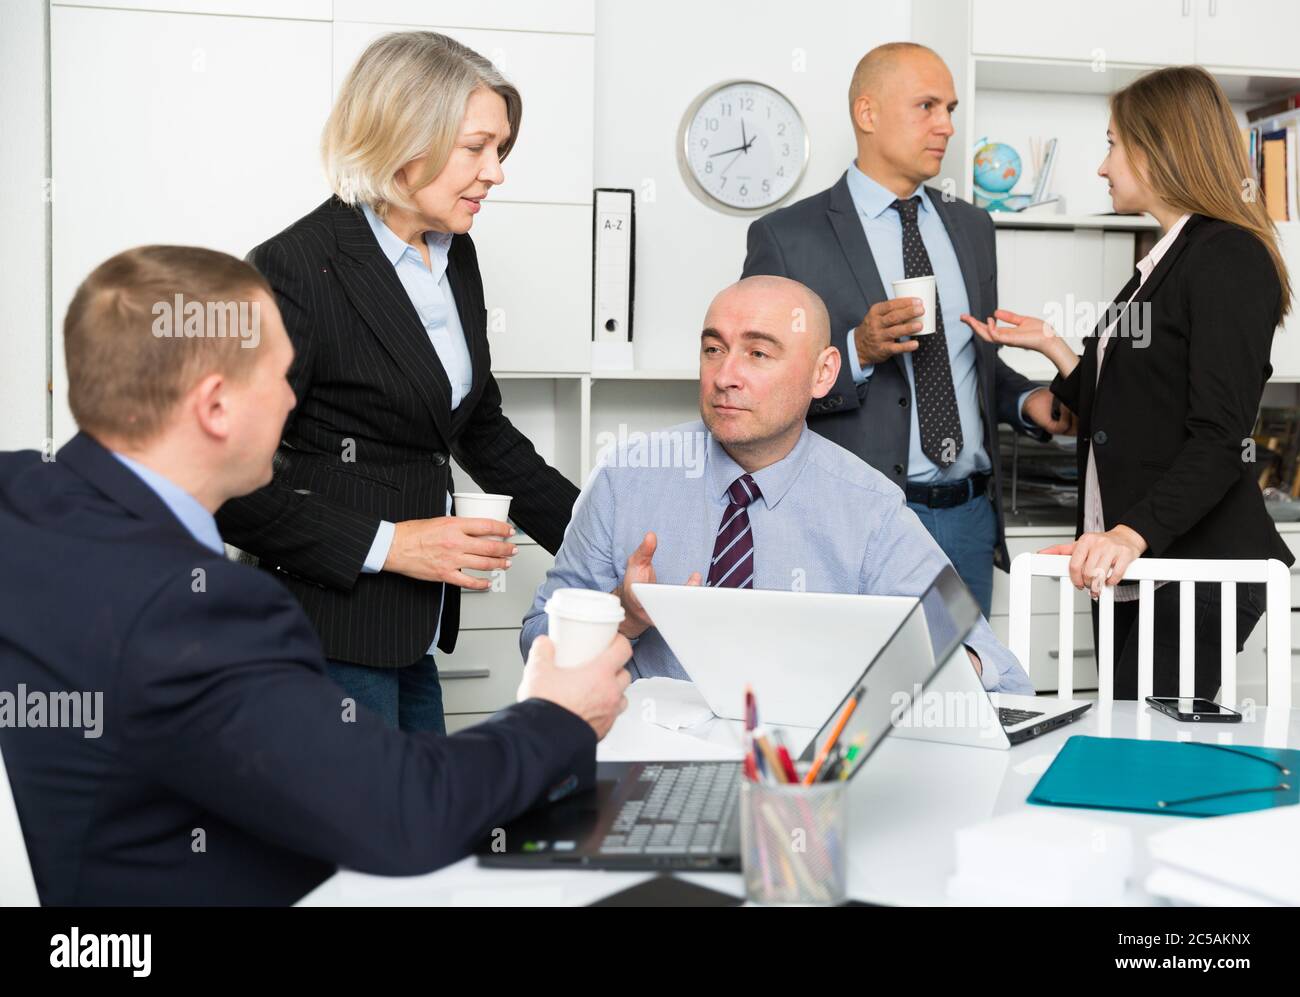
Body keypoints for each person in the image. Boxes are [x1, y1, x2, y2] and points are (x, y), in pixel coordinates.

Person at [0, 246, 631, 905]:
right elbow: (403, 809)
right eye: (281, 376)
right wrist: (556, 713)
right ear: (215, 407)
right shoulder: (199, 612)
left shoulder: (18, 498)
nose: (290, 399)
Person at [215, 31, 579, 733]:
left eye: (501, 150)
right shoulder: (295, 269)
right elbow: (223, 480)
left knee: (426, 833)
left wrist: (602, 543)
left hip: (408, 631)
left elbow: (480, 430)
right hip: (321, 635)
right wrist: (393, 544)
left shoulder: (455, 253)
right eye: (477, 147)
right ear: (401, 138)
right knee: (374, 837)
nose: (496, 172)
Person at [521, 275, 1034, 694]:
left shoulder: (870, 509)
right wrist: (624, 615)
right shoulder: (625, 478)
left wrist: (904, 664)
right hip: (643, 760)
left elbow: (998, 672)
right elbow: (536, 639)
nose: (725, 376)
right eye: (713, 349)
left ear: (823, 373)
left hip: (800, 774)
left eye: (758, 354)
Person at [962, 66, 1294, 700]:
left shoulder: (1226, 258)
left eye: (1113, 144)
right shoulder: (1160, 264)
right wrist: (1053, 346)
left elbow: (1219, 437)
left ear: (1159, 148)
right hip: (1138, 560)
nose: (1102, 166)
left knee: (1150, 749)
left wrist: (1127, 534)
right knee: (1126, 732)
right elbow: (1119, 407)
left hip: (1192, 564)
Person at [740, 41, 1074, 617]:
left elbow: (970, 362)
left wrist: (1026, 403)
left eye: (950, 109)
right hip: (857, 522)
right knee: (857, 702)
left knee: (963, 695)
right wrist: (857, 350)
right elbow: (756, 388)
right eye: (927, 107)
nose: (946, 125)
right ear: (867, 114)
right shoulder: (788, 237)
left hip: (970, 521)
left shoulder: (972, 227)